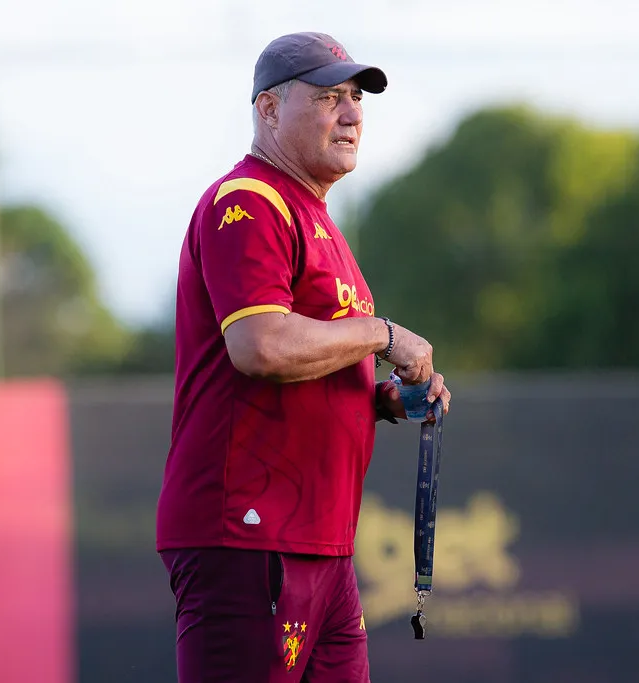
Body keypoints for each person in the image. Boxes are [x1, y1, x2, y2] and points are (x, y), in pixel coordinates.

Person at [155, 32, 451, 683]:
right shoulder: (249, 202)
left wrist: (381, 399)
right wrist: (382, 335)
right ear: (267, 109)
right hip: (251, 532)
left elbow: (299, 372)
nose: (350, 114)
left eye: (355, 98)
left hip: (320, 543)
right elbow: (261, 345)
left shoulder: (315, 220)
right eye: (327, 97)